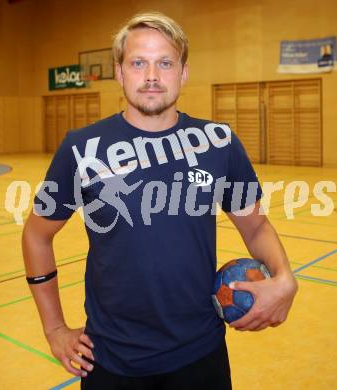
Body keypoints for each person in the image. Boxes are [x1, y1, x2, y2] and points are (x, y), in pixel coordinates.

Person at [22, 12, 298, 390]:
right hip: (110, 360)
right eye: (139, 62)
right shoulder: (82, 148)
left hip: (200, 356)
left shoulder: (218, 142)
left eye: (165, 63)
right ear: (119, 72)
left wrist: (284, 278)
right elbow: (37, 235)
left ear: (183, 73)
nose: (152, 76)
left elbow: (256, 225)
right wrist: (54, 328)